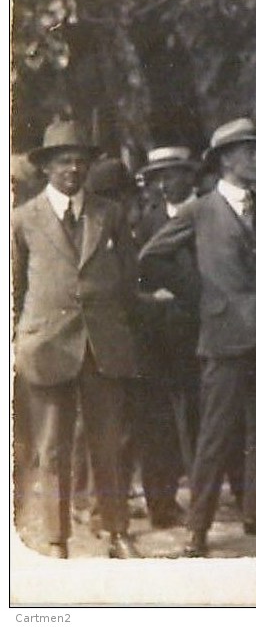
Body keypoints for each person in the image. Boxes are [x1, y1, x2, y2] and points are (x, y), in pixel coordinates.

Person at [139, 118, 256, 557]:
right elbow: (153, 257)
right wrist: (203, 295)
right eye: (249, 152)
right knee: (215, 435)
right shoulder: (201, 210)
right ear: (225, 160)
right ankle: (198, 529)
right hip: (223, 337)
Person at [12, 121, 142, 558]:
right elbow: (11, 288)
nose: (72, 168)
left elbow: (127, 277)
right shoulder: (22, 220)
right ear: (46, 167)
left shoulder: (109, 213)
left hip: (102, 344)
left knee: (108, 444)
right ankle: (56, 538)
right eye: (62, 160)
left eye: (80, 160)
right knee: (52, 448)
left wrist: (116, 322)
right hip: (47, 345)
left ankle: (117, 532)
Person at [126, 145, 204, 531]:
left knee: (206, 415)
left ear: (189, 175)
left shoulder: (209, 212)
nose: (164, 183)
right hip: (160, 334)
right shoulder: (147, 222)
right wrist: (152, 299)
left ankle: (225, 496)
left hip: (204, 327)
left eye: (172, 173)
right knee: (158, 422)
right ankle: (163, 501)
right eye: (157, 177)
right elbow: (136, 275)